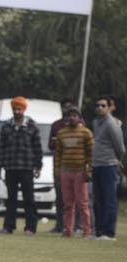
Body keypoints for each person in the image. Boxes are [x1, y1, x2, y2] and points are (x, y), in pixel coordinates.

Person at [0, 96, 43, 235]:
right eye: (15, 108)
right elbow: (2, 148)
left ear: (23, 109)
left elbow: (37, 148)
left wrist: (38, 166)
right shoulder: (6, 126)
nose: (17, 111)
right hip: (10, 167)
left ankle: (30, 227)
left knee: (29, 198)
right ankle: (8, 226)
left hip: (27, 167)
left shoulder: (32, 125)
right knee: (11, 198)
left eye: (19, 109)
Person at [54, 106, 94, 239]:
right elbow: (58, 154)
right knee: (68, 204)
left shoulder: (86, 133)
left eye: (74, 115)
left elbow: (91, 154)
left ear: (79, 117)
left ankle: (87, 231)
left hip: (80, 172)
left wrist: (89, 170)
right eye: (69, 115)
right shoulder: (61, 133)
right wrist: (57, 170)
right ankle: (67, 230)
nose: (72, 117)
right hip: (65, 171)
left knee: (82, 203)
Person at [91, 95, 124, 241]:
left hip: (108, 165)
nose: (100, 108)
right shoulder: (96, 122)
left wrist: (116, 160)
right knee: (98, 200)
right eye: (97, 105)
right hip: (96, 165)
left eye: (103, 105)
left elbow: (120, 147)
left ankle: (109, 233)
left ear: (109, 108)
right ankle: (99, 232)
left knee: (109, 199)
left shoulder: (112, 124)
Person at [48, 98, 77, 234]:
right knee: (60, 197)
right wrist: (57, 141)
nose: (67, 109)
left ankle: (76, 226)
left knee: (76, 198)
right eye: (64, 107)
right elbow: (50, 145)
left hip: (75, 166)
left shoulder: (80, 125)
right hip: (59, 166)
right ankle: (60, 225)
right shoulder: (56, 125)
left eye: (69, 107)